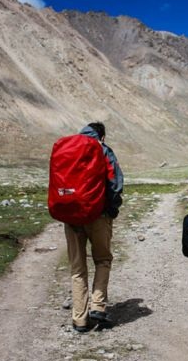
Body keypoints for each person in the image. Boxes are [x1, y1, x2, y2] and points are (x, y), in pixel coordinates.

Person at [65, 122, 123, 332]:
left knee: (78, 268)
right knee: (103, 259)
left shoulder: (69, 150)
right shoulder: (103, 149)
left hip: (71, 217)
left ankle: (79, 319)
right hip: (99, 216)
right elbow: (115, 184)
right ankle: (97, 306)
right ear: (102, 136)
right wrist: (112, 209)